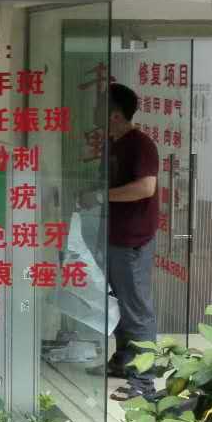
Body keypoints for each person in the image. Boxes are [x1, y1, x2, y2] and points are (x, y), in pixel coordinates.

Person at [84, 82, 160, 401]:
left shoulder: (141, 145)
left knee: (136, 308)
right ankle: (124, 359)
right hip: (112, 236)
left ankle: (144, 380)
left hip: (132, 240)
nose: (93, 111)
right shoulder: (112, 144)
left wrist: (101, 196)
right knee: (116, 303)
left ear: (114, 115)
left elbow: (145, 188)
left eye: (100, 105)